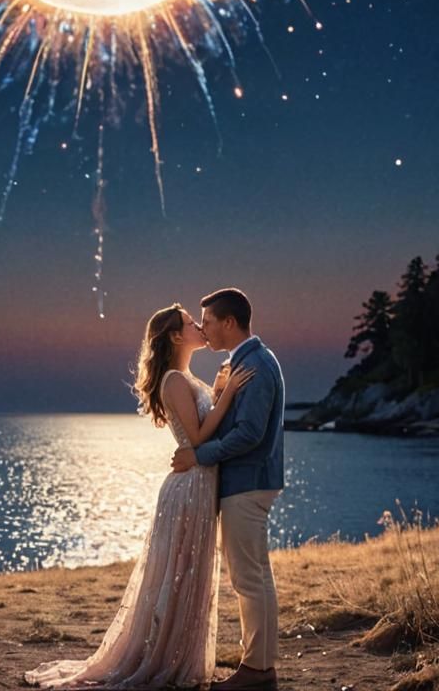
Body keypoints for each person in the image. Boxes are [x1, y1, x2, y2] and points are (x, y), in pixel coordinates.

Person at [25, 303, 255, 689]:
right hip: (189, 488)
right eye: (190, 323)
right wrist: (228, 393)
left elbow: (203, 428)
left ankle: (181, 658)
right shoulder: (174, 381)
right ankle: (163, 660)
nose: (200, 326)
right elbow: (199, 439)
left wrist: (216, 390)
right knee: (179, 576)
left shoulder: (186, 377)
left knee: (191, 577)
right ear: (175, 336)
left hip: (199, 484)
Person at [171, 288, 285, 691]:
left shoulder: (255, 365)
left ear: (229, 323)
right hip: (249, 482)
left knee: (249, 578)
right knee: (255, 576)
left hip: (247, 484)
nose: (204, 329)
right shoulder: (247, 362)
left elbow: (251, 434)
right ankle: (262, 668)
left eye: (209, 322)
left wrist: (199, 456)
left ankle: (257, 672)